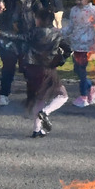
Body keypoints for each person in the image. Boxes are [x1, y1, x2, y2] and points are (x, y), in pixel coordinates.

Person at [0, 0, 42, 106]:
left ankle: (33, 96)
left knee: (28, 67)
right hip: (7, 35)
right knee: (8, 65)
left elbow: (40, 10)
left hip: (26, 35)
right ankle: (3, 94)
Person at [23, 7, 71, 138]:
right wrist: (61, 60)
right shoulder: (56, 34)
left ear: (40, 20)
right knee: (63, 95)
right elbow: (68, 49)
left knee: (40, 99)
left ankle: (36, 129)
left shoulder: (33, 32)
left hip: (33, 70)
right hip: (48, 70)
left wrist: (0, 33)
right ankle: (45, 112)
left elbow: (19, 38)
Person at [65, 0, 95, 107]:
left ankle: (83, 96)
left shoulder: (91, 10)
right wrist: (60, 33)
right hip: (76, 44)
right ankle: (92, 89)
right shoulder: (74, 10)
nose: (78, 2)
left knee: (82, 70)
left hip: (86, 45)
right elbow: (70, 26)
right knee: (77, 69)